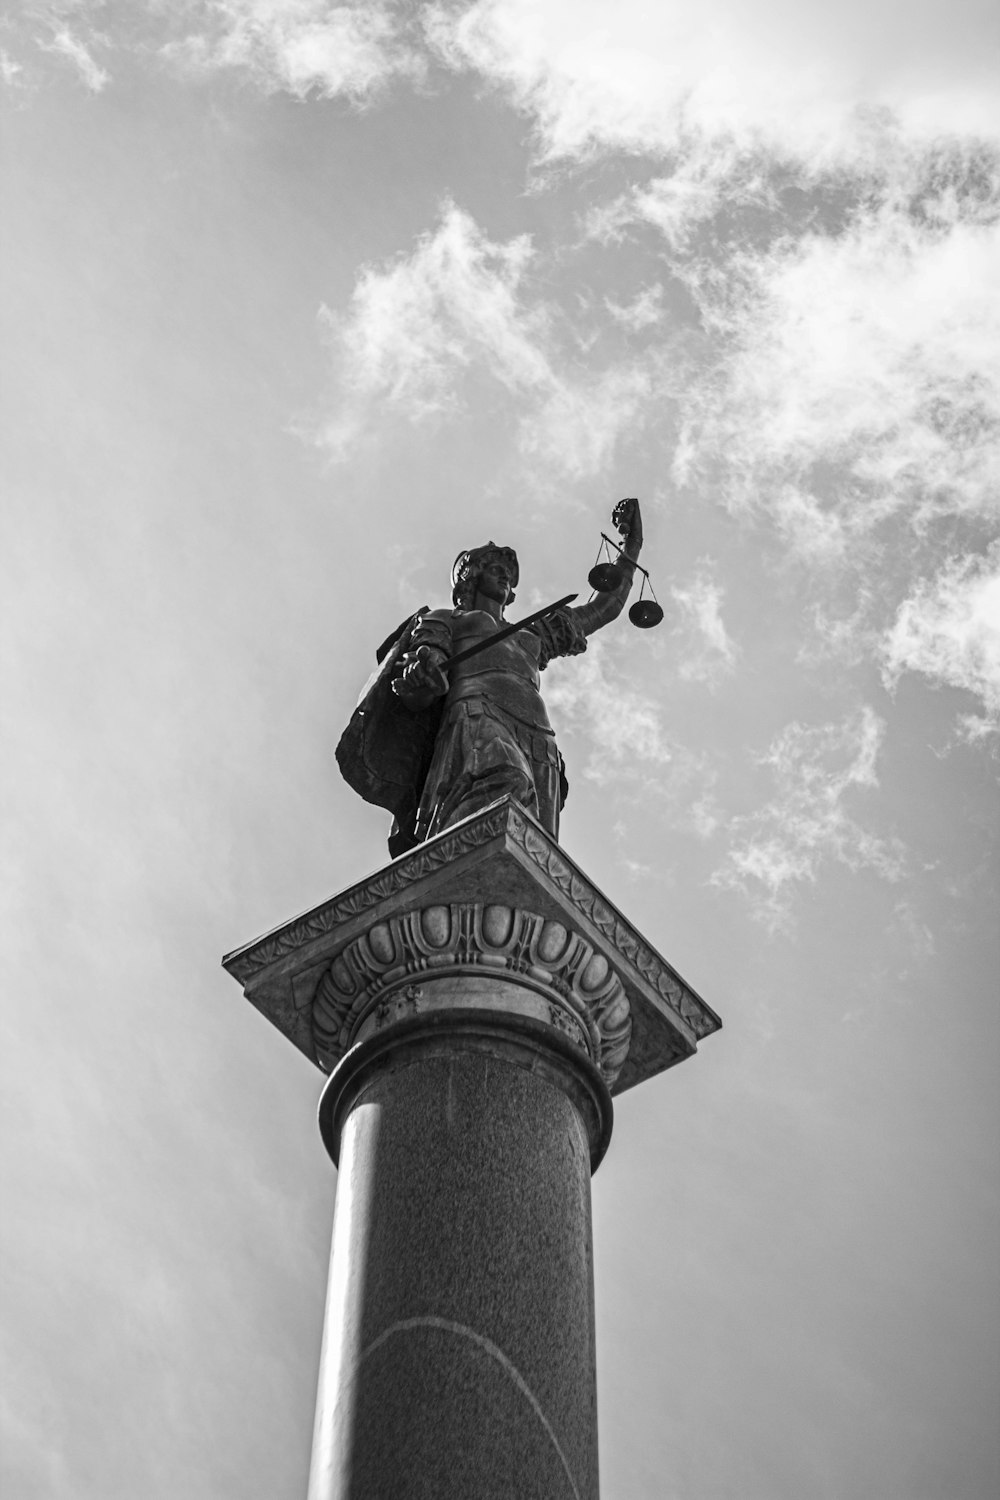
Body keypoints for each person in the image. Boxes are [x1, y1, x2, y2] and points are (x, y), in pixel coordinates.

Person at [336, 499, 644, 855]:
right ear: (471, 575)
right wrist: (422, 677)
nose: (504, 575)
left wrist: (632, 545)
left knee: (534, 846)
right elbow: (423, 672)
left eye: (508, 573)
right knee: (503, 781)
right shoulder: (445, 618)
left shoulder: (535, 635)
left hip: (538, 738)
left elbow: (605, 607)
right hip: (476, 717)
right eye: (494, 567)